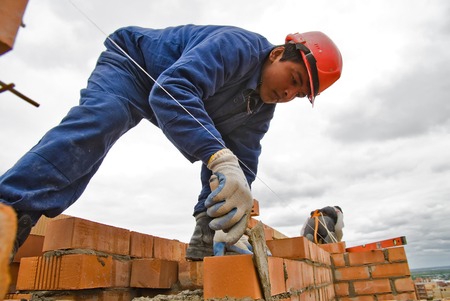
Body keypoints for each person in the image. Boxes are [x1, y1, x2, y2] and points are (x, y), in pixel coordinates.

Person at [0, 24, 343, 261]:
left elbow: (243, 160)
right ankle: (12, 208)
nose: (288, 93)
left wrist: (220, 220)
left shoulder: (260, 108)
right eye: (294, 79)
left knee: (230, 162)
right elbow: (172, 90)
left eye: (299, 94)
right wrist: (218, 157)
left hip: (176, 89)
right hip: (133, 67)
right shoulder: (237, 47)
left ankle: (206, 244)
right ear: (278, 53)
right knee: (103, 119)